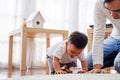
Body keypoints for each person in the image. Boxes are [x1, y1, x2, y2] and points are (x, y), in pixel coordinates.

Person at [87, 0, 120, 73]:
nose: (113, 16)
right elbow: (98, 34)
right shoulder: (100, 4)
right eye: (108, 10)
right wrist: (97, 66)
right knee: (88, 64)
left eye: (118, 11)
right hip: (114, 38)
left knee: (118, 65)